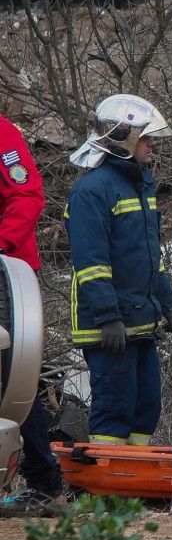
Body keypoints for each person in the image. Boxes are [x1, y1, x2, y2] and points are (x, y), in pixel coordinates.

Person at [64, 94, 172, 448]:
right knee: (114, 410)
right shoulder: (92, 191)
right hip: (109, 325)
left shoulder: (141, 184)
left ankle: (133, 484)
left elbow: (150, 256)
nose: (152, 146)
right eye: (146, 138)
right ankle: (111, 493)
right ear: (122, 139)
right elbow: (90, 263)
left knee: (146, 406)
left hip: (141, 318)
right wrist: (107, 318)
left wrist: (168, 303)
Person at [0, 114, 62, 511]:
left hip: (5, 273)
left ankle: (43, 482)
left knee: (13, 380)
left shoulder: (2, 133)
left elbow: (26, 197)